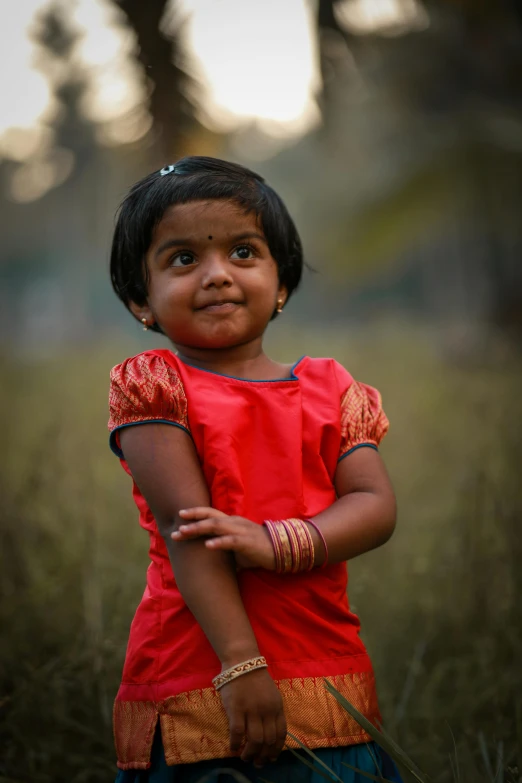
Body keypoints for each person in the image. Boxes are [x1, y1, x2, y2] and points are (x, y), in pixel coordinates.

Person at [107, 156, 401, 783]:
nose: (216, 275)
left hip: (327, 662)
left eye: (243, 252)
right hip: (204, 667)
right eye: (183, 259)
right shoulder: (156, 386)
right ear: (142, 300)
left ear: (283, 282)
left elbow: (375, 507)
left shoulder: (332, 388)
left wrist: (277, 542)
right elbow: (190, 531)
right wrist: (242, 666)